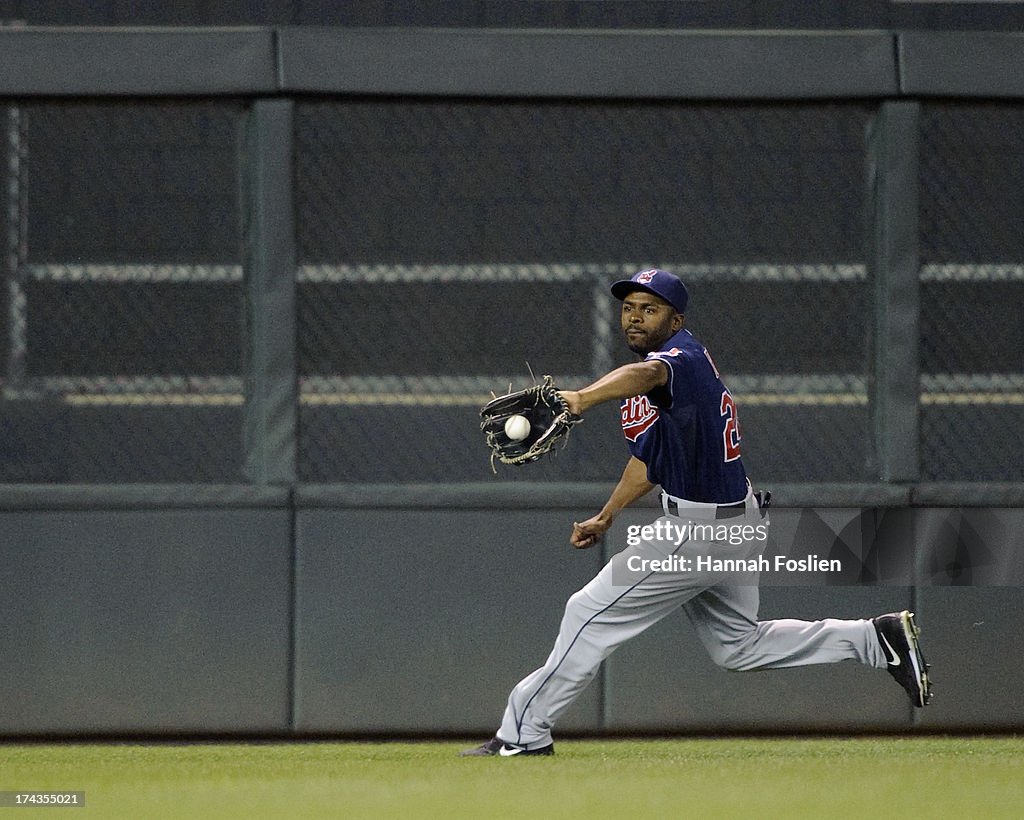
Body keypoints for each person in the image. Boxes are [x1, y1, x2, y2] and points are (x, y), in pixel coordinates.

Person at [462, 269, 931, 758]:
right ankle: (875, 639)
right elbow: (647, 462)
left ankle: (523, 735)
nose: (636, 316)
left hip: (699, 531)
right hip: (733, 523)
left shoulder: (679, 360)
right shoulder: (657, 377)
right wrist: (608, 515)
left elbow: (647, 374)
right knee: (739, 646)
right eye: (628, 307)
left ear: (676, 318)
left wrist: (580, 397)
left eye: (651, 308)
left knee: (588, 614)